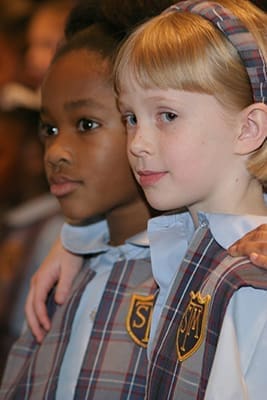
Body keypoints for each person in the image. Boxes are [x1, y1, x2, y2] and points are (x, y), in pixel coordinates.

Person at [0, 1, 174, 397]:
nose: (56, 151)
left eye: (86, 124)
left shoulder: (188, 275)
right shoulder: (59, 279)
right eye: (49, 128)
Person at [112, 0, 267, 398]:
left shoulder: (251, 282)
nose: (138, 144)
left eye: (167, 115)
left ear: (248, 128)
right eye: (130, 117)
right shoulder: (184, 247)